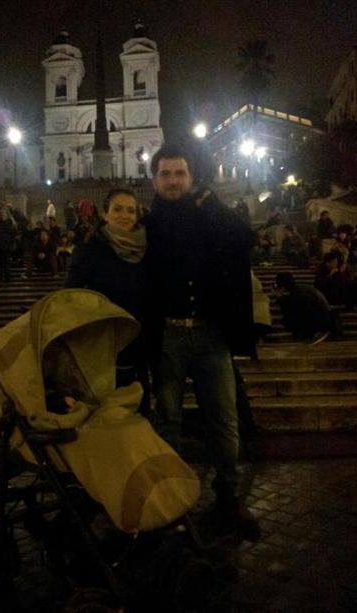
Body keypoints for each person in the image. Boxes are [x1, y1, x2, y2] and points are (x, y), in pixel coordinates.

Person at [145, 144, 259, 541]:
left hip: (210, 333)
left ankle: (227, 496)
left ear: (191, 178)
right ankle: (171, 501)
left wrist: (212, 203)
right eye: (165, 174)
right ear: (154, 179)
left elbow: (246, 237)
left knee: (224, 419)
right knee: (168, 422)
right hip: (167, 336)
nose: (173, 181)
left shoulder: (208, 214)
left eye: (179, 174)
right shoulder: (147, 222)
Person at [65, 188, 151, 415]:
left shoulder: (147, 248)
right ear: (105, 214)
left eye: (131, 211)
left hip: (139, 342)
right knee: (104, 417)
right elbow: (70, 294)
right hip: (102, 345)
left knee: (138, 413)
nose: (125, 215)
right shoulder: (90, 248)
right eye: (118, 209)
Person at [274, 272, 338, 343]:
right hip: (325, 319)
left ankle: (309, 334)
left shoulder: (297, 295)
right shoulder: (302, 289)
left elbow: (291, 310)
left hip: (319, 323)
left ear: (282, 286)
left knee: (288, 318)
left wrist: (279, 298)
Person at [0, 203, 17, 282]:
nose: (2, 212)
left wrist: (11, 242)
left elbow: (13, 233)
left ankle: (7, 277)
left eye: (4, 211)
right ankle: (0, 277)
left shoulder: (10, 221)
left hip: (7, 244)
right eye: (2, 211)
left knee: (6, 262)